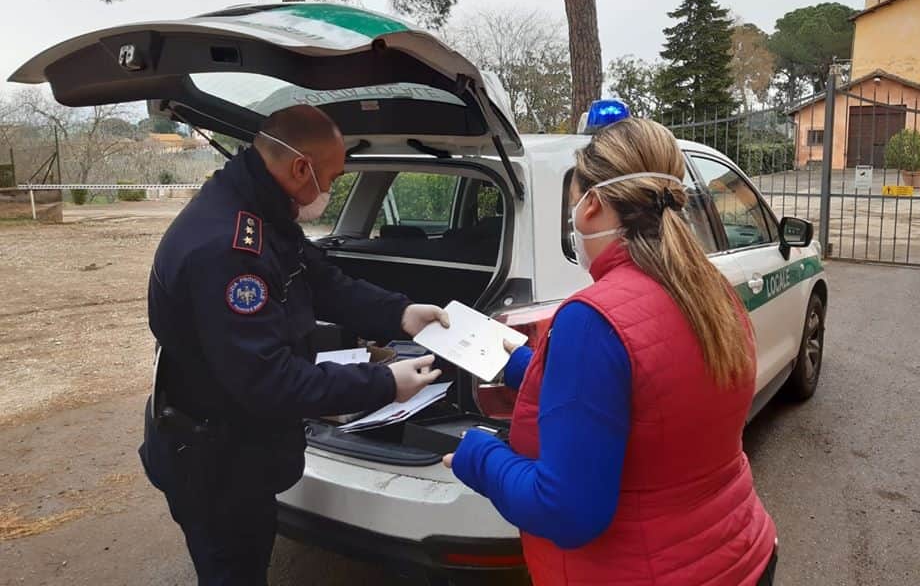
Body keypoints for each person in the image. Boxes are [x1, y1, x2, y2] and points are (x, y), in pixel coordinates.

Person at [445, 118, 778, 585]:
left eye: (572, 204)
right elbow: (652, 394)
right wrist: (523, 365)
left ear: (592, 205)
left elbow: (567, 511)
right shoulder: (709, 290)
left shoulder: (593, 319)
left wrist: (476, 454)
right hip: (742, 554)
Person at [140, 104, 448, 585]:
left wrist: (400, 313)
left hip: (239, 445)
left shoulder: (260, 208)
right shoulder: (227, 249)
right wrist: (384, 383)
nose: (331, 190)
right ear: (301, 168)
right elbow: (269, 381)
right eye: (331, 177)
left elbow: (320, 279)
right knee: (233, 570)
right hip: (213, 461)